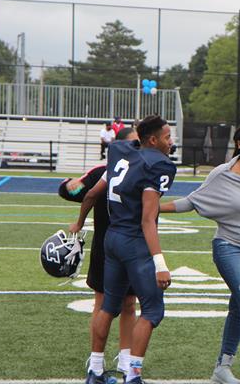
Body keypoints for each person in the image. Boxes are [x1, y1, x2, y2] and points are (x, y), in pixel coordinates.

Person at [160, 120, 240, 384]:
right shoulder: (223, 173)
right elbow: (192, 201)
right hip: (229, 247)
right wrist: (152, 208)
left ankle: (222, 368)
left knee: (239, 307)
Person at [70, 115, 176, 384]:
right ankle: (133, 375)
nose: (171, 142)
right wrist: (160, 264)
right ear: (153, 140)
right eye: (167, 137)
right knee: (152, 311)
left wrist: (79, 223)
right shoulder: (159, 165)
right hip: (134, 242)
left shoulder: (120, 151)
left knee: (108, 306)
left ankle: (95, 370)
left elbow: (91, 194)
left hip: (112, 238)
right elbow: (148, 219)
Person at [60, 127, 139, 378]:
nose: (138, 148)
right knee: (102, 303)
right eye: (133, 143)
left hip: (134, 247)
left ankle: (125, 358)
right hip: (105, 248)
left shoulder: (145, 171)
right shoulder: (101, 172)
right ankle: (96, 359)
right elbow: (72, 190)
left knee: (129, 304)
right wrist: (70, 186)